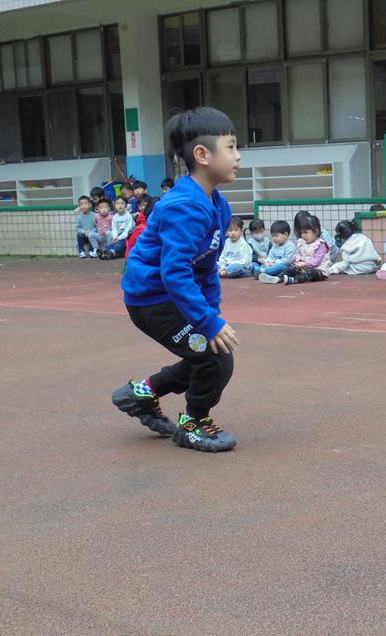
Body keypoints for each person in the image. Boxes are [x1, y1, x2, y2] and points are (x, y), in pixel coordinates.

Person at [112, 107, 241, 453]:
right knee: (215, 359)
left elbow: (206, 267)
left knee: (208, 352)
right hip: (152, 300)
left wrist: (211, 312)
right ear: (202, 154)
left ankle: (142, 394)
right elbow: (175, 272)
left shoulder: (217, 205)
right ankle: (193, 424)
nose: (238, 156)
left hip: (171, 294)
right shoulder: (183, 206)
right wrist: (206, 322)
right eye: (230, 147)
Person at [260, 214, 330, 285]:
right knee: (290, 269)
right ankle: (277, 278)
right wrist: (297, 258)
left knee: (311, 272)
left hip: (319, 271)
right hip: (304, 268)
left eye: (306, 233)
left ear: (316, 231)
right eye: (302, 233)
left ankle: (293, 280)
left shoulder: (321, 244)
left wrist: (304, 263)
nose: (303, 235)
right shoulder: (302, 242)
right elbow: (297, 253)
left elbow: (316, 261)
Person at [103, 195, 134, 260]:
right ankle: (104, 251)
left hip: (128, 235)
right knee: (111, 243)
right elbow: (114, 228)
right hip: (118, 235)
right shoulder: (115, 217)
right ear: (114, 206)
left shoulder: (128, 216)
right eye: (117, 204)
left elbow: (128, 230)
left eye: (122, 203)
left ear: (126, 206)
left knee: (121, 243)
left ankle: (112, 252)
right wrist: (115, 237)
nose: (120, 205)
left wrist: (119, 238)